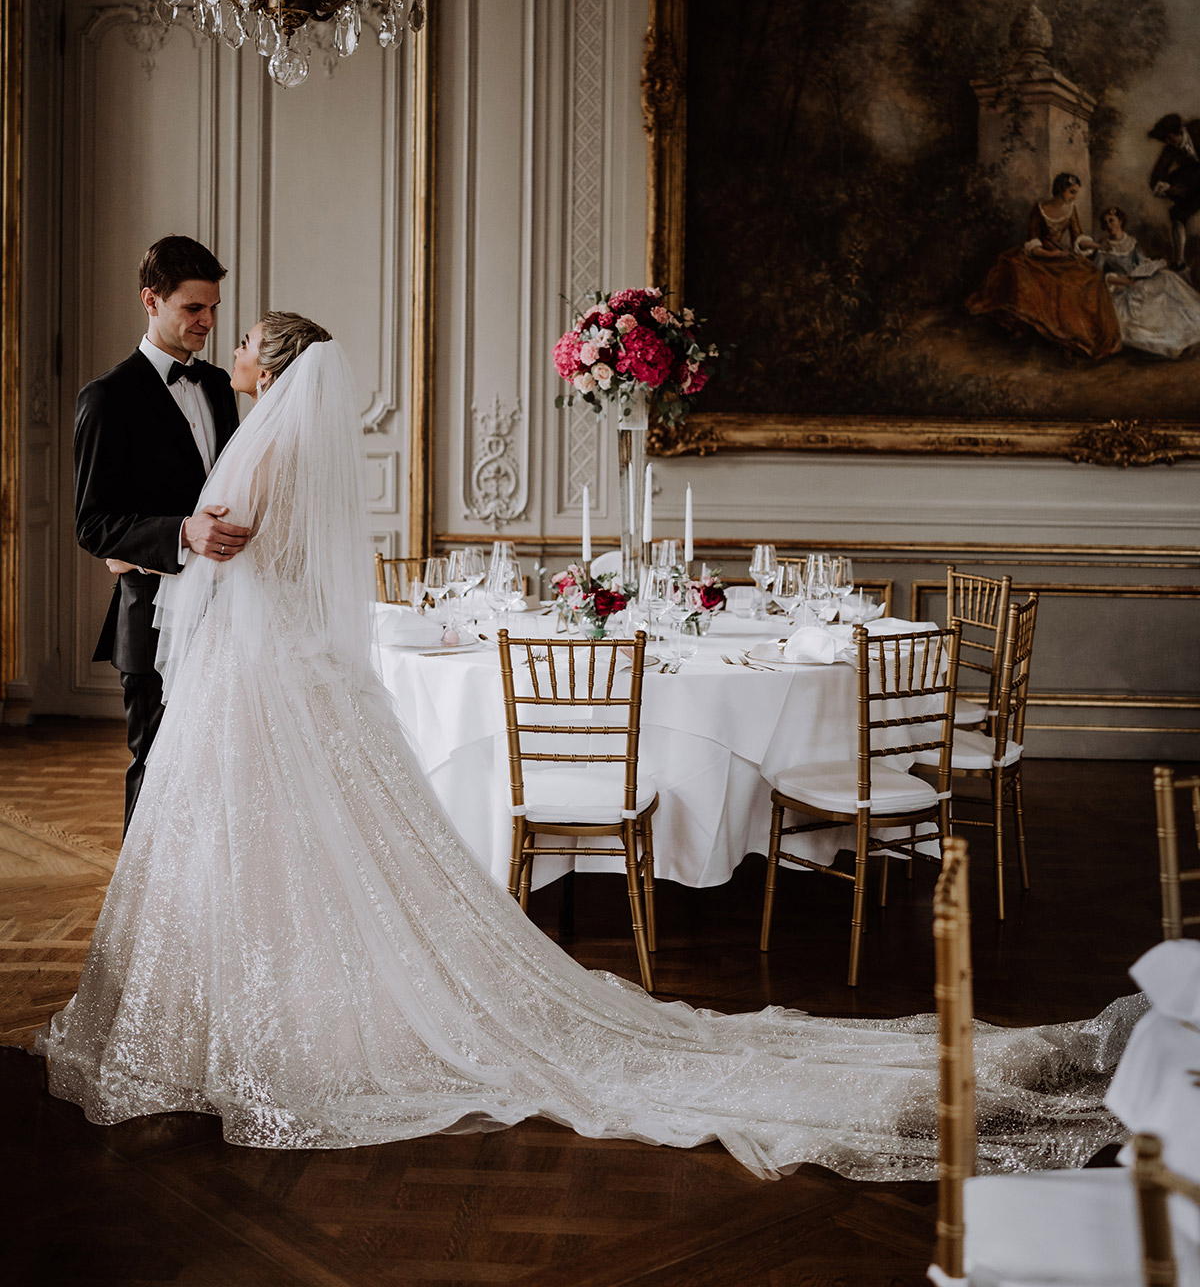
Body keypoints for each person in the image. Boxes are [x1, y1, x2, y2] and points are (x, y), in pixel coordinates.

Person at [40, 316, 1137, 1179]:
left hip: (257, 683)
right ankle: (268, 1000)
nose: (226, 348)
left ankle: (247, 1009)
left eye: (240, 340)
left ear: (266, 365)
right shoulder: (293, 453)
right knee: (308, 846)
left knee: (263, 841)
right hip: (289, 680)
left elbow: (225, 567)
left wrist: (187, 545)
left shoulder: (252, 455)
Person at [73, 235, 246, 833]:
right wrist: (180, 534)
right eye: (193, 309)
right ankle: (138, 916)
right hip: (150, 619)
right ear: (152, 300)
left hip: (225, 614)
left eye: (213, 307)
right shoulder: (107, 398)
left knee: (215, 768)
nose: (208, 321)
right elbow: (93, 524)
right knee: (156, 766)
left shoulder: (220, 386)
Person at [966, 172, 1122, 360]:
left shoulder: (1071, 210)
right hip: (1038, 256)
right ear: (1060, 190)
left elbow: (1078, 237)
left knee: (1092, 275)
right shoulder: (1039, 209)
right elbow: (1032, 241)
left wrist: (1097, 245)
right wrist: (1053, 254)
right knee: (1033, 277)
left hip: (1060, 255)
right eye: (1071, 192)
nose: (1074, 197)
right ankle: (1050, 334)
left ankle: (1076, 336)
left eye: (1076, 193)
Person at [1091, 205, 1200, 360]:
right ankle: (1168, 342)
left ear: (1120, 221)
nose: (1110, 226)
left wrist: (1153, 266)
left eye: (1112, 221)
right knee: (1142, 304)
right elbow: (1097, 274)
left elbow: (1142, 263)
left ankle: (1188, 329)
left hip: (1140, 279)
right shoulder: (1103, 247)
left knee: (1168, 277)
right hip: (1122, 286)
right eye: (1106, 223)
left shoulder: (1131, 242)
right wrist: (1119, 280)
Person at [1148, 114, 1200, 273]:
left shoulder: (1198, 129)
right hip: (1196, 187)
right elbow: (1156, 178)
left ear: (1178, 133)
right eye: (1166, 140)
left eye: (1170, 138)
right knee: (1177, 215)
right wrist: (1170, 189)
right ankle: (1180, 263)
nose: (1168, 143)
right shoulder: (1170, 149)